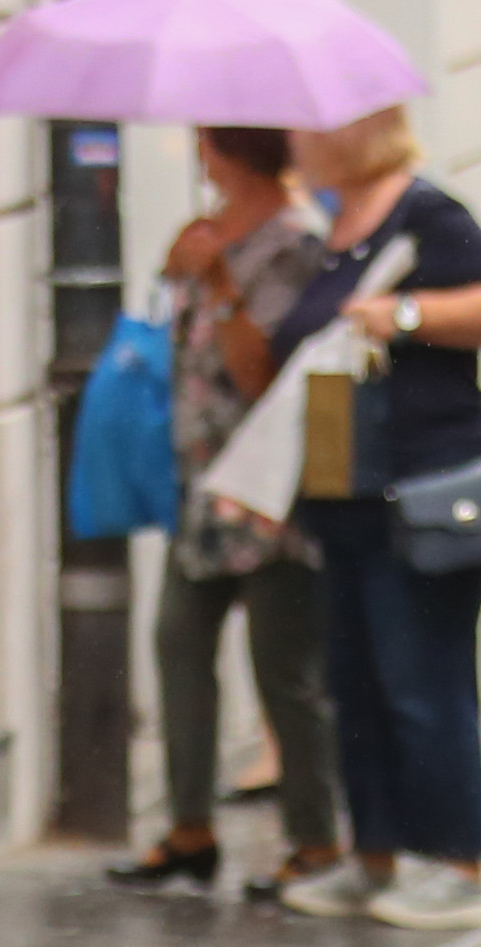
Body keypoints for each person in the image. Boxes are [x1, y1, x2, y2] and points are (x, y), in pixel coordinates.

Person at [269, 101, 481, 932]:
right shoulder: (332, 229)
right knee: (357, 683)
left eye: (304, 128)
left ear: (346, 133)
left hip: (424, 490)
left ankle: (458, 864)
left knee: (424, 678)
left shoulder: (427, 215)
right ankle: (376, 855)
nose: (292, 141)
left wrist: (408, 316)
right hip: (345, 493)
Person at [108, 123, 344, 903]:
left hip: (268, 494)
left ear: (233, 151)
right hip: (202, 490)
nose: (197, 155)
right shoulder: (209, 233)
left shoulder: (297, 244)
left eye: (206, 141)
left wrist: (218, 283)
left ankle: (314, 839)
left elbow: (263, 371)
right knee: (178, 641)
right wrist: (182, 272)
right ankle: (189, 827)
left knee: (284, 670)